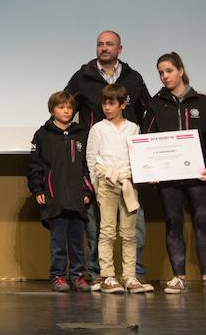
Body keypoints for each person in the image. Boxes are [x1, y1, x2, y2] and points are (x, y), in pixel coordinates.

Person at [63, 30, 151, 290]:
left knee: (133, 228)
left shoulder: (133, 79)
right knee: (99, 228)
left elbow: (148, 111)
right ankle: (100, 274)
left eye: (109, 44)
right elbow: (65, 106)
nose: (104, 48)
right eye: (100, 44)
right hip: (99, 168)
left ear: (120, 49)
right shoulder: (82, 77)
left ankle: (133, 274)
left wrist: (149, 156)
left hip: (128, 171)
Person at [145, 52, 206, 295]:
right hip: (168, 177)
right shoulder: (155, 104)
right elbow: (147, 140)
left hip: (198, 176)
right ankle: (178, 277)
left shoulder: (202, 102)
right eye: (160, 72)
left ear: (180, 70)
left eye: (169, 70)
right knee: (173, 223)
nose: (164, 76)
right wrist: (151, 168)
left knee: (202, 222)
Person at [86, 84, 149, 294]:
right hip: (106, 182)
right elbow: (91, 158)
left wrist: (133, 178)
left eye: (111, 103)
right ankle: (108, 275)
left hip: (128, 182)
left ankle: (130, 275)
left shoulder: (133, 128)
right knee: (107, 231)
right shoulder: (98, 128)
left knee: (129, 233)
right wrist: (97, 185)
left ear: (123, 104)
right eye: (104, 103)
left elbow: (136, 155)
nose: (107, 107)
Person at [27, 91, 92, 293]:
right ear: (52, 110)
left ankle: (78, 276)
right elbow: (34, 165)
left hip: (77, 197)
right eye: (61, 107)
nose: (66, 111)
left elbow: (87, 164)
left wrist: (87, 191)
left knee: (76, 241)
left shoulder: (81, 133)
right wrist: (38, 188)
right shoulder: (42, 134)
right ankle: (58, 276)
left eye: (69, 107)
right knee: (58, 242)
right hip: (54, 197)